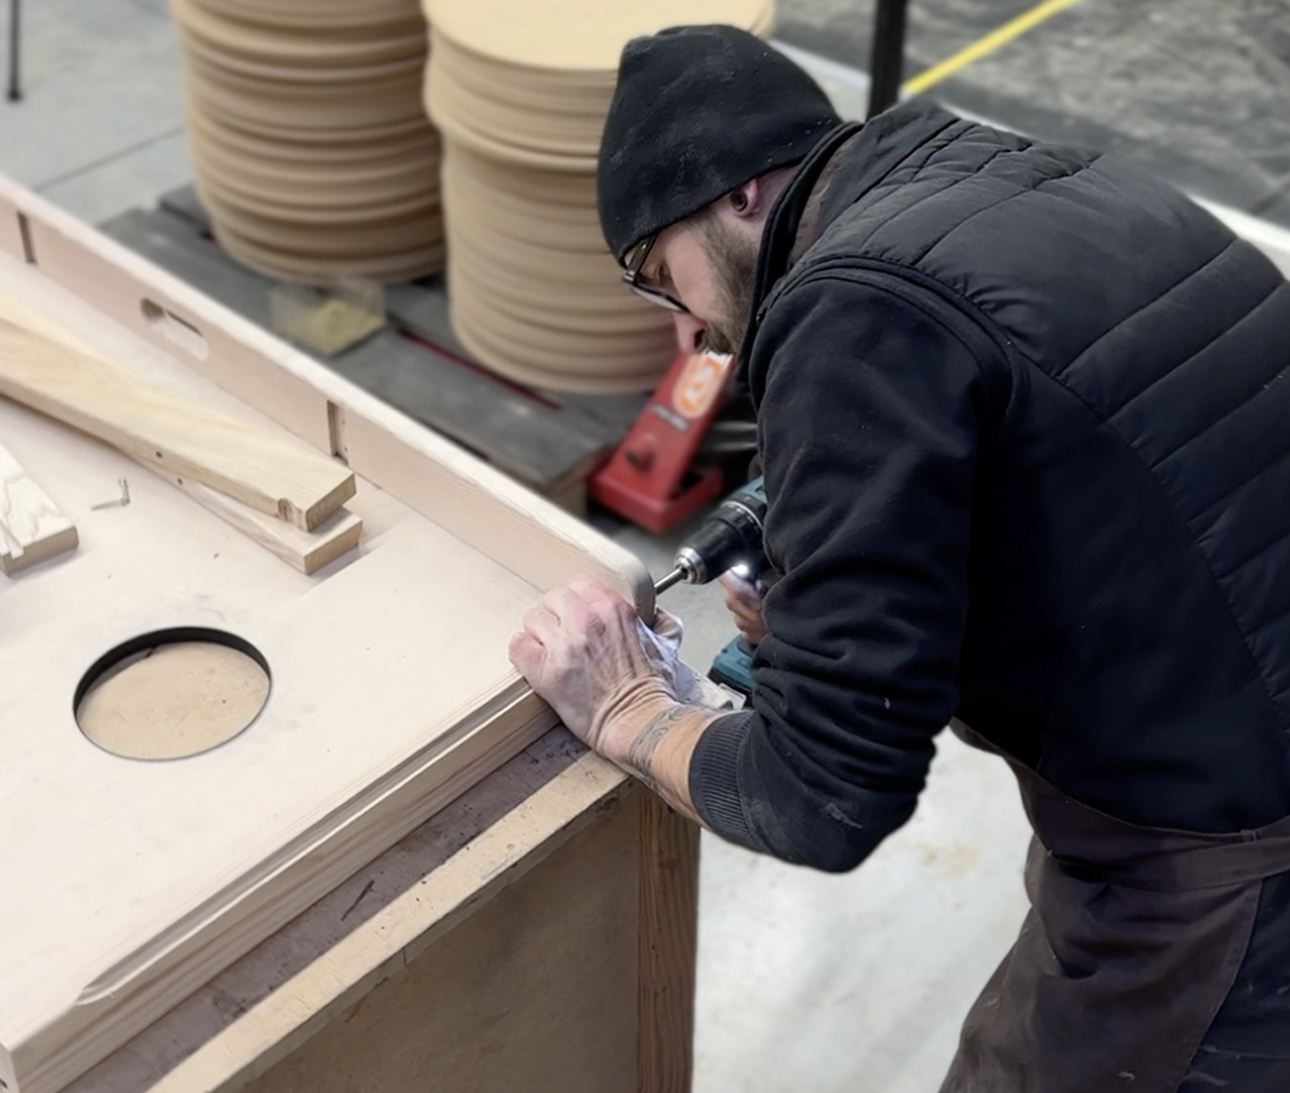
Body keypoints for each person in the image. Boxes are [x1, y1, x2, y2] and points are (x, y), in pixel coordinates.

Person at [508, 24, 1290, 1092]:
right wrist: (855, 620)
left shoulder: (851, 309)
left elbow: (821, 795)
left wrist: (631, 713)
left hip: (1241, 876)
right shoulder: (1037, 174)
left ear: (739, 197)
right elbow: (1114, 504)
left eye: (661, 277)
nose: (690, 330)